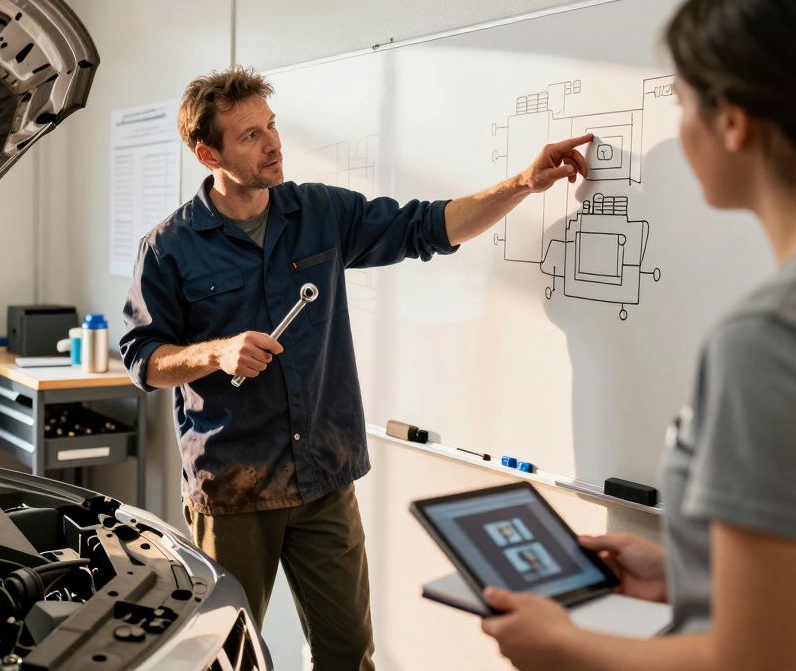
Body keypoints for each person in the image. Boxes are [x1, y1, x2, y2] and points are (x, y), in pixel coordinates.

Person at [120, 65, 590, 668]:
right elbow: (142, 358)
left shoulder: (319, 213)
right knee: (223, 659)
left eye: (272, 126)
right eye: (249, 136)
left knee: (348, 655)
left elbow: (429, 226)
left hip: (323, 476)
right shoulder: (169, 247)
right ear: (205, 150)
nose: (272, 144)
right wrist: (214, 352)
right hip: (232, 489)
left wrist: (524, 182)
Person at [479, 0, 796, 671]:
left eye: (682, 105)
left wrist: (567, 649)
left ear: (736, 123)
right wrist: (693, 578)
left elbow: (764, 662)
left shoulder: (776, 340)